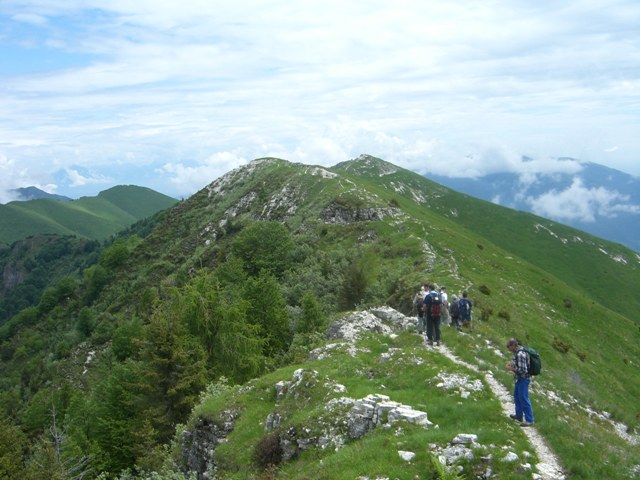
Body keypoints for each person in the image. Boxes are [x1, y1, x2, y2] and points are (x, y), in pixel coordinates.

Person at [505, 338, 535, 426]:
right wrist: (511, 364)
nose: (508, 349)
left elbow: (523, 370)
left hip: (523, 379)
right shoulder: (517, 353)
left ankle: (529, 420)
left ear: (514, 345)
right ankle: (519, 415)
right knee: (517, 396)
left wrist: (511, 369)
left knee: (524, 398)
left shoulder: (520, 354)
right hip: (519, 379)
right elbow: (517, 364)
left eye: (509, 347)